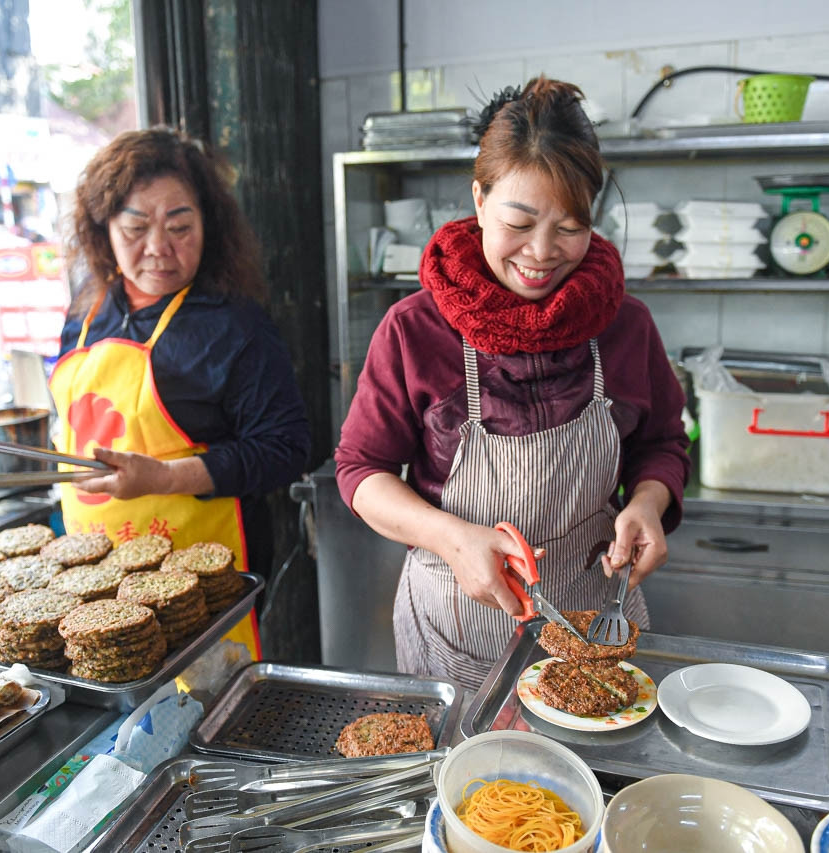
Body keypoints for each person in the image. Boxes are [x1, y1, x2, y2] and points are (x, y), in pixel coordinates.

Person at [334, 77, 691, 689]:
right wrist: (449, 538)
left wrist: (647, 504)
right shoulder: (415, 330)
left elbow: (662, 443)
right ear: (479, 200)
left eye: (571, 226)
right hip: (458, 619)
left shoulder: (625, 324)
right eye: (519, 222)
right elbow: (360, 471)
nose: (543, 252)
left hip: (591, 616)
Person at [51, 127, 310, 658]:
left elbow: (286, 449)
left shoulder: (235, 326)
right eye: (136, 227)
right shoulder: (87, 309)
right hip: (95, 562)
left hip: (200, 577)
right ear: (104, 230)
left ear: (207, 226)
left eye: (180, 227)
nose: (158, 249)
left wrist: (165, 477)